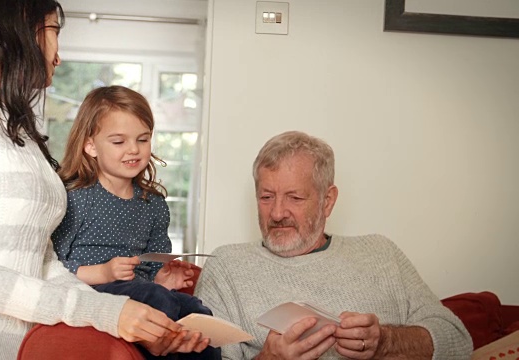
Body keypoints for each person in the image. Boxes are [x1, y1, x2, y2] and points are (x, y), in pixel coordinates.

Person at [0, 1, 209, 359]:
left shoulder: (18, 128)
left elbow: (45, 264)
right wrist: (107, 312)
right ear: (21, 27)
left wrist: (136, 321)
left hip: (19, 351)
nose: (59, 57)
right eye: (54, 32)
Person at [195, 130, 473, 360]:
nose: (277, 213)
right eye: (267, 197)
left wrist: (385, 342)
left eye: (294, 198)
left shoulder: (381, 253)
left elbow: (458, 341)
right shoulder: (227, 267)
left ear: (327, 201)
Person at [51, 85, 220, 360]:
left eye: (143, 139)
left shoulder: (152, 204)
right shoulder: (76, 198)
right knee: (155, 300)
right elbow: (51, 266)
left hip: (142, 292)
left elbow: (150, 268)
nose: (134, 149)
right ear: (90, 145)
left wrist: (162, 277)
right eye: (119, 142)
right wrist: (103, 272)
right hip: (92, 293)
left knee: (198, 314)